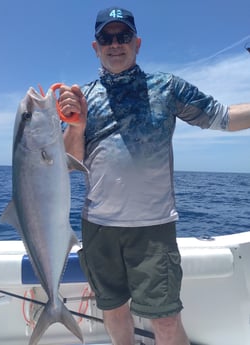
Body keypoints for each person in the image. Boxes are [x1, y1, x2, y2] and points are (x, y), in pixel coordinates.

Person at [59, 7, 250, 345]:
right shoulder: (83, 98)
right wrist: (76, 124)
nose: (115, 44)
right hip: (99, 226)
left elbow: (223, 118)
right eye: (107, 37)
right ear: (95, 46)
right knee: (115, 310)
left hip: (153, 227)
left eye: (123, 37)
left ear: (138, 43)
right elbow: (68, 161)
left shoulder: (166, 88)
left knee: (165, 320)